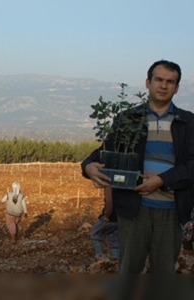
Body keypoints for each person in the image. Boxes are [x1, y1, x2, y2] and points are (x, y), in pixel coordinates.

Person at [82, 60, 194, 274]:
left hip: (171, 212)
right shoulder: (128, 119)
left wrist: (163, 180)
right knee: (128, 272)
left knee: (163, 276)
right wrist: (87, 166)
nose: (164, 85)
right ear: (147, 82)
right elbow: (106, 151)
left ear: (177, 88)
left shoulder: (189, 122)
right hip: (134, 210)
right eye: (159, 79)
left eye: (170, 82)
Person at [90, 186, 119, 260]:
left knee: (95, 232)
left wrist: (106, 215)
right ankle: (115, 260)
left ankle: (100, 256)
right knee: (115, 239)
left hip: (110, 217)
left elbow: (110, 203)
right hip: (120, 218)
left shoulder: (109, 187)